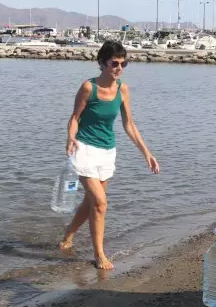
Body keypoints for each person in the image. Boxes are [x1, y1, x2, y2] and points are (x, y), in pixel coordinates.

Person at [60, 40, 160, 270]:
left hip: (107, 152)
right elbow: (75, 118)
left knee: (92, 203)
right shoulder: (89, 87)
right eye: (115, 63)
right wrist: (70, 137)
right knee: (101, 204)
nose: (119, 68)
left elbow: (129, 124)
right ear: (102, 63)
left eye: (124, 64)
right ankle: (99, 254)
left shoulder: (122, 89)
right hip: (83, 149)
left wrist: (147, 153)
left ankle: (68, 235)